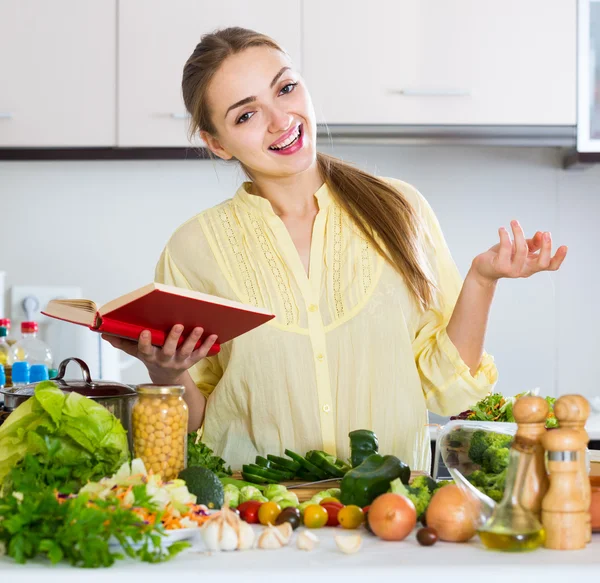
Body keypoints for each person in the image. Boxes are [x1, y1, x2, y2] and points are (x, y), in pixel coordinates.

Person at [103, 27, 567, 471]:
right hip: (254, 515)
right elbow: (201, 417)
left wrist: (482, 280)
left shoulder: (399, 208)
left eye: (285, 89)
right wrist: (166, 374)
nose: (281, 120)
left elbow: (447, 389)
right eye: (247, 115)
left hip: (386, 510)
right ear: (216, 143)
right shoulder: (193, 248)